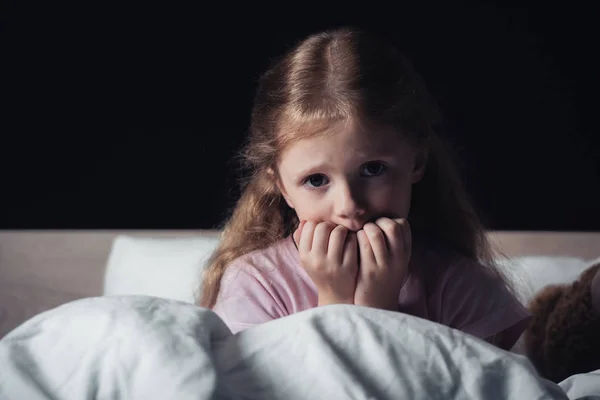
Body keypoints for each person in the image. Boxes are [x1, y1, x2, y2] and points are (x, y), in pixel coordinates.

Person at [198, 26, 531, 351]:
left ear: (416, 163)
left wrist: (379, 308)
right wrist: (336, 304)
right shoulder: (256, 285)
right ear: (281, 185)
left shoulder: (461, 288)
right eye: (316, 180)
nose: (349, 205)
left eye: (373, 169)